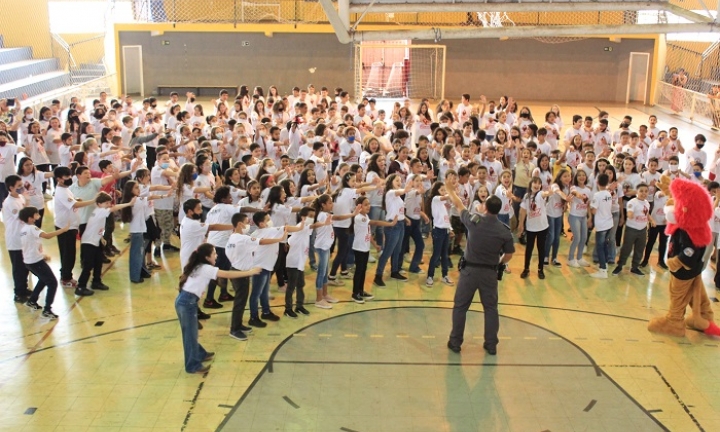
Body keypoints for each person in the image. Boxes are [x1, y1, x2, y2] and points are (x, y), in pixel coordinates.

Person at [446, 176, 514, 356]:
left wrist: (451, 190)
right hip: (489, 274)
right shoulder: (504, 231)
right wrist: (499, 263)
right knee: (490, 309)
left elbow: (459, 205)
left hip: (469, 271)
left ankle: (455, 342)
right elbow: (508, 255)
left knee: (461, 306)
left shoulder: (475, 221)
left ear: (485, 207)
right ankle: (491, 344)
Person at [176, 243, 260, 374]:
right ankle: (192, 366)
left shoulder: (200, 266)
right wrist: (250, 272)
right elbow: (227, 274)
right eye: (214, 253)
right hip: (187, 303)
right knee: (190, 335)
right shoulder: (205, 268)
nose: (216, 255)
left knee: (192, 334)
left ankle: (200, 354)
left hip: (186, 302)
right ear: (207, 257)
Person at [76, 192, 135, 296]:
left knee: (99, 262)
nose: (109, 205)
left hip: (95, 241)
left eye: (109, 202)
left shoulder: (100, 212)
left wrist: (101, 237)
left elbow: (97, 227)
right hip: (89, 243)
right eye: (106, 203)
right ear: (99, 204)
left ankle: (96, 281)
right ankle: (80, 286)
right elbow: (114, 208)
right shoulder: (100, 211)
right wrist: (129, 204)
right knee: (88, 265)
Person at [20, 206, 70, 320]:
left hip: (29, 261)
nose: (38, 216)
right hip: (36, 261)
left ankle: (32, 300)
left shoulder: (22, 229)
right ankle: (47, 309)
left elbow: (30, 245)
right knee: (52, 282)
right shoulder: (32, 228)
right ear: (30, 218)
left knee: (43, 279)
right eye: (36, 214)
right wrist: (63, 230)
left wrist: (42, 256)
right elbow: (47, 236)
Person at [2, 175, 31, 303]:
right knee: (18, 268)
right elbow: (23, 217)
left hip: (23, 238)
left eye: (21, 185)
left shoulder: (20, 198)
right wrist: (29, 202)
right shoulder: (9, 202)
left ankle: (24, 288)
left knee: (25, 267)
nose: (21, 188)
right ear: (11, 188)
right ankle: (19, 293)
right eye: (18, 186)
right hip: (15, 239)